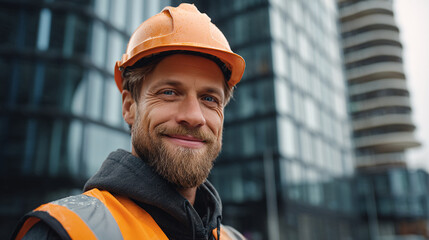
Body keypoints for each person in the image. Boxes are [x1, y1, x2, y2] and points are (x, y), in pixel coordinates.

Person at [11, 3, 246, 240]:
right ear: (129, 107)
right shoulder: (63, 231)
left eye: (209, 98)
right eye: (169, 93)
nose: (195, 116)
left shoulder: (232, 237)